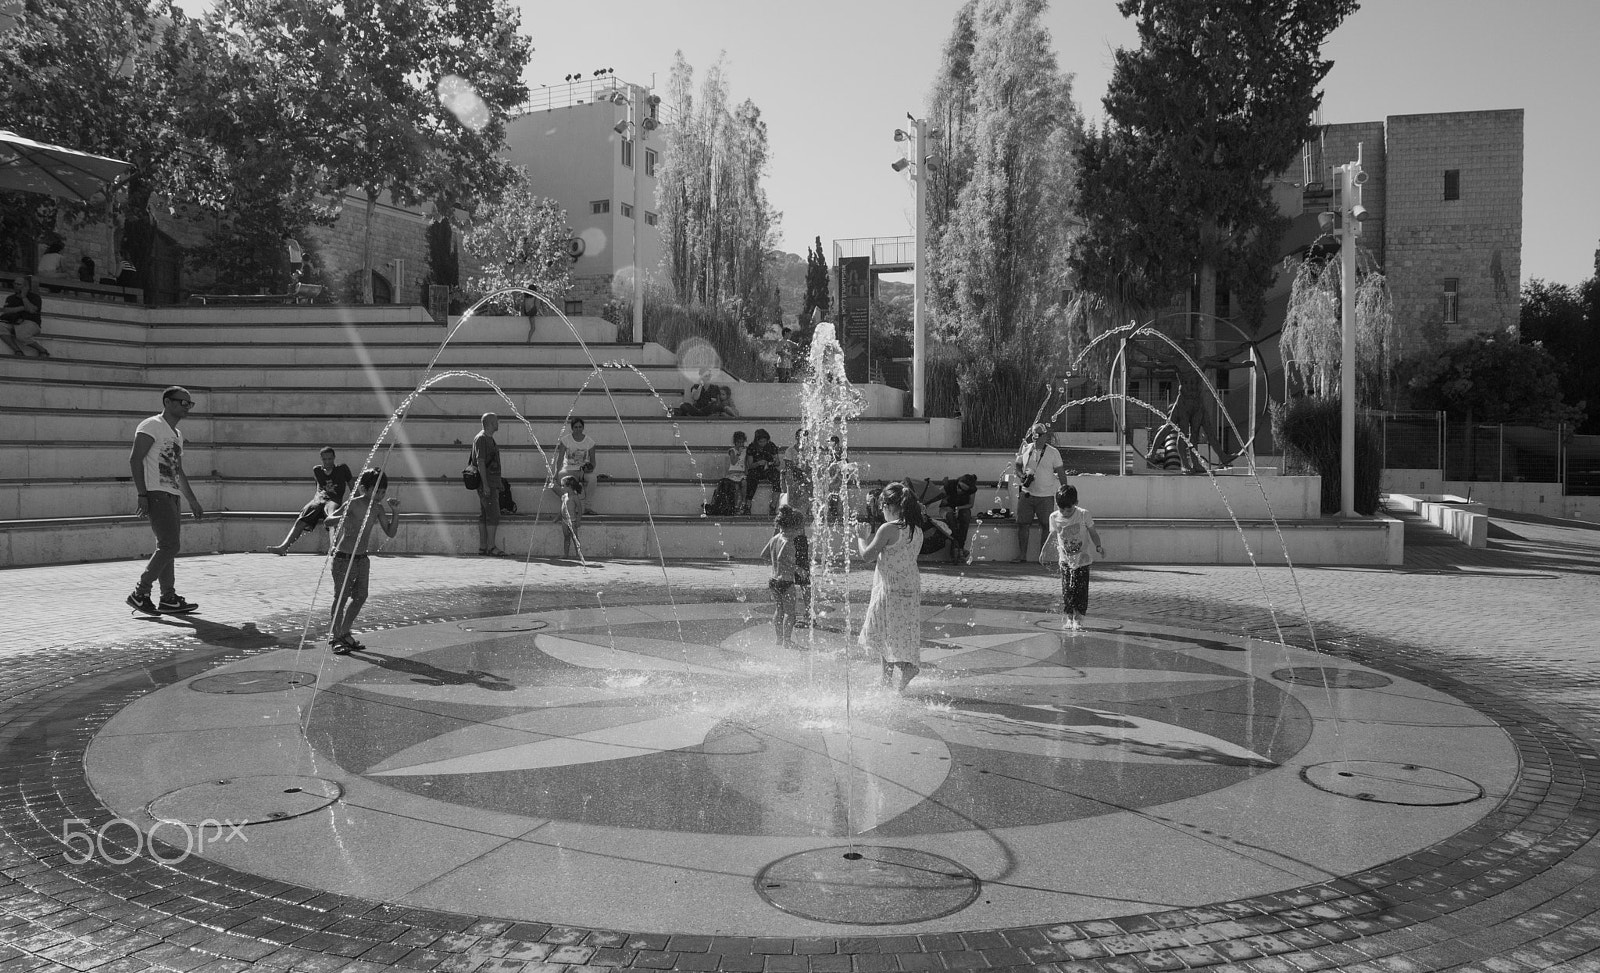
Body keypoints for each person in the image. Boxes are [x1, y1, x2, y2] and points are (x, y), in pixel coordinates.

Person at [125, 386, 204, 616]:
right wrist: (142, 494)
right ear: (168, 402)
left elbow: (178, 470)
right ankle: (140, 593)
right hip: (156, 492)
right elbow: (135, 459)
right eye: (183, 402)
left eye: (190, 403)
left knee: (167, 547)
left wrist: (192, 500)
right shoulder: (151, 425)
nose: (187, 407)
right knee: (170, 545)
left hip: (171, 493)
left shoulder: (177, 435)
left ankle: (168, 598)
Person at [856, 480, 924, 693]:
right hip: (910, 587)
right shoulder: (917, 530)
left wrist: (861, 538)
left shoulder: (888, 529)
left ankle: (908, 668)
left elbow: (867, 556)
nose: (881, 510)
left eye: (882, 506)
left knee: (884, 631)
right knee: (897, 632)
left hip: (889, 588)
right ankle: (887, 680)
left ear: (890, 506)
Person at [324, 467, 399, 653]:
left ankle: (344, 631)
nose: (380, 495)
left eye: (383, 491)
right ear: (364, 489)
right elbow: (328, 521)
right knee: (340, 599)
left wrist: (395, 512)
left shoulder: (378, 509)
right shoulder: (353, 504)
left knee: (361, 596)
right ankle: (337, 638)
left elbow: (390, 532)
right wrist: (344, 515)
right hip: (343, 558)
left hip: (362, 559)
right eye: (377, 491)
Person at [267, 447, 354, 555]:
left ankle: (333, 548)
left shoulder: (342, 468)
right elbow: (318, 488)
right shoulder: (317, 470)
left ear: (334, 458)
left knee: (332, 518)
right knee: (301, 519)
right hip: (319, 500)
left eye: (330, 459)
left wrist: (357, 504)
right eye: (325, 459)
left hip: (333, 500)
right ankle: (283, 547)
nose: (327, 462)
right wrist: (316, 501)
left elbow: (353, 488)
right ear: (321, 459)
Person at [1048, 484, 1105, 630]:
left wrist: (1098, 546)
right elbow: (1053, 535)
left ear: (1076, 503)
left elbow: (1093, 532)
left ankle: (1079, 618)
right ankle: (1069, 618)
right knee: (1067, 590)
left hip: (1083, 560)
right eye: (1062, 510)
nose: (1065, 513)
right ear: (1057, 505)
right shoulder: (1054, 517)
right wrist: (1043, 551)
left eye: (1068, 510)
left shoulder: (1083, 514)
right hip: (1065, 561)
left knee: (1081, 590)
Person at [1012, 423, 1067, 563]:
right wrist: (1021, 475)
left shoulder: (1053, 452)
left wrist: (1065, 491)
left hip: (1046, 495)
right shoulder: (1026, 448)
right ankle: (1022, 555)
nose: (1035, 437)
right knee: (1023, 525)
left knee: (1045, 525)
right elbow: (1017, 465)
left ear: (1045, 436)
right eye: (1033, 435)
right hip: (1027, 493)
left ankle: (1042, 557)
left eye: (1038, 435)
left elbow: (1060, 472)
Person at [760, 505, 806, 648]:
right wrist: (797, 569)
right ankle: (787, 640)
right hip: (786, 582)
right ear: (793, 527)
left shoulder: (775, 538)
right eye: (799, 529)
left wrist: (774, 565)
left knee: (779, 610)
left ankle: (779, 639)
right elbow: (782, 558)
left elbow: (764, 555)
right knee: (790, 614)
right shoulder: (789, 542)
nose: (799, 533)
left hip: (773, 581)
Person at [471, 412, 504, 556]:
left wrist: (498, 482)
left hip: (492, 482)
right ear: (490, 423)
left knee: (485, 515)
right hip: (487, 483)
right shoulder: (482, 439)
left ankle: (483, 547)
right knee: (493, 515)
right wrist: (485, 484)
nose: (498, 423)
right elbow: (481, 462)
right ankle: (491, 546)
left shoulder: (488, 438)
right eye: (496, 421)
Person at [553, 417, 597, 516]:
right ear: (572, 428)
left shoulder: (590, 442)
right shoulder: (565, 440)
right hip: (568, 469)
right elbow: (560, 459)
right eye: (576, 427)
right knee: (557, 481)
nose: (578, 429)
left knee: (593, 479)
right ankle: (569, 504)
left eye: (580, 427)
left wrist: (590, 468)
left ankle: (588, 507)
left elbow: (593, 462)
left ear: (583, 428)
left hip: (583, 470)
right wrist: (556, 473)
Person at [1, 275, 48, 357]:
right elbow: (6, 311)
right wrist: (22, 308)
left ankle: (42, 350)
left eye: (19, 284)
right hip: (13, 321)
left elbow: (32, 310)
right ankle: (17, 350)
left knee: (21, 335)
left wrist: (24, 297)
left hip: (30, 322)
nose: (15, 286)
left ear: (26, 287)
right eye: (15, 283)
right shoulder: (10, 298)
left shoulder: (35, 297)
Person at [704, 430, 747, 516]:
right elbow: (734, 462)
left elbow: (746, 462)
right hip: (733, 473)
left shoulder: (745, 451)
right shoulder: (732, 450)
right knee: (736, 488)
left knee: (744, 484)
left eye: (742, 442)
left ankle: (743, 503)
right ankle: (735, 506)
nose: (740, 444)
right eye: (738, 442)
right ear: (735, 442)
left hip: (741, 473)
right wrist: (738, 452)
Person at [940, 473, 979, 563]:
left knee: (965, 517)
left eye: (963, 490)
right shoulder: (950, 484)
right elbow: (940, 502)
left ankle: (958, 549)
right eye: (959, 487)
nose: (959, 490)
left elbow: (970, 504)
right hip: (947, 507)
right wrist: (947, 504)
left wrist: (958, 508)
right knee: (951, 519)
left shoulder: (972, 490)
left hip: (962, 508)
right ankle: (959, 549)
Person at [743, 428, 781, 516]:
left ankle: (773, 506)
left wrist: (773, 462)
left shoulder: (771, 446)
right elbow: (750, 465)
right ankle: (748, 505)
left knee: (777, 478)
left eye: (764, 441)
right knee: (751, 479)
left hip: (769, 469)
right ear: (757, 441)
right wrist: (759, 463)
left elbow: (778, 462)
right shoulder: (752, 447)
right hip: (756, 469)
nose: (763, 444)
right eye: (761, 442)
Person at [555, 473, 585, 559]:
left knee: (575, 538)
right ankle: (565, 554)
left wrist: (578, 520)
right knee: (566, 538)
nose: (561, 487)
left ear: (570, 486)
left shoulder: (574, 497)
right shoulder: (564, 497)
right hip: (564, 521)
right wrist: (557, 518)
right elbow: (562, 508)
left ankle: (578, 554)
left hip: (572, 520)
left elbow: (579, 509)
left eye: (563, 485)